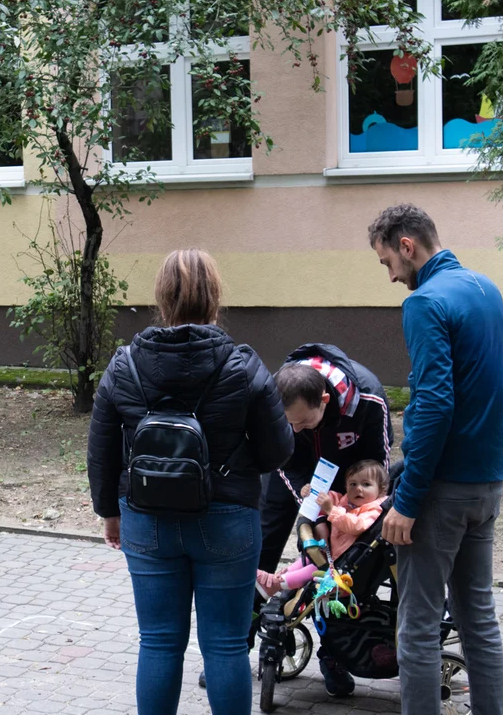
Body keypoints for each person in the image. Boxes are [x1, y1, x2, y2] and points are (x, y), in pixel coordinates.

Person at [87, 249, 294, 715]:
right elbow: (279, 449)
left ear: (161, 298)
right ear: (214, 297)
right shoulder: (242, 364)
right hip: (228, 520)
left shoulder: (124, 365)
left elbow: (100, 448)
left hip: (146, 520)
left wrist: (109, 512)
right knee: (224, 645)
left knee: (158, 642)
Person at [368, 203, 503, 715]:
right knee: (478, 618)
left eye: (387, 262)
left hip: (439, 492)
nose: (392, 276)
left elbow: (434, 403)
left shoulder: (425, 303)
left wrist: (408, 500)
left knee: (415, 626)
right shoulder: (487, 290)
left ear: (407, 247)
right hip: (487, 486)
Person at [249, 343, 392, 696]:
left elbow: (379, 464)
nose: (296, 429)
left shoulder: (368, 399)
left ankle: (336, 654)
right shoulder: (276, 400)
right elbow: (282, 455)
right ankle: (237, 647)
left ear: (325, 401)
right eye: (289, 423)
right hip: (298, 476)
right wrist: (303, 492)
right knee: (262, 549)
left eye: (303, 421)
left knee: (339, 565)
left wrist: (347, 506)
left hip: (347, 480)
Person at [255, 459, 387, 598]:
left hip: (342, 564)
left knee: (315, 567)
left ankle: (277, 584)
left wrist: (331, 510)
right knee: (305, 559)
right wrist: (311, 492)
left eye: (366, 484)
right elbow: (331, 497)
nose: (358, 489)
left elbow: (356, 525)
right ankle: (276, 580)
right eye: (353, 484)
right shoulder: (347, 501)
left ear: (381, 490)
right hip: (331, 554)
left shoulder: (374, 510)